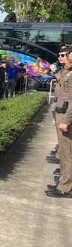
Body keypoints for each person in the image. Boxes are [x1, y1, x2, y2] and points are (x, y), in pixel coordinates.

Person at [47, 48, 72, 198]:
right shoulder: (67, 72)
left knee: (67, 152)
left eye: (66, 57)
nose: (63, 59)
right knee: (65, 151)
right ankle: (64, 181)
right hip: (62, 111)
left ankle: (65, 187)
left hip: (66, 115)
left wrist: (66, 121)